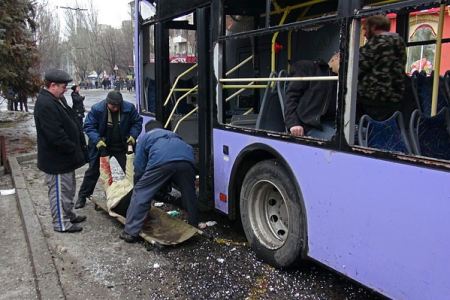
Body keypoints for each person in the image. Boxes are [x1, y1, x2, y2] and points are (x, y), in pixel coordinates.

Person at [119, 121, 200, 243]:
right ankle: (194, 225)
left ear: (147, 130)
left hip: (162, 160)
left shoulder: (145, 138)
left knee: (141, 191)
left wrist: (138, 185)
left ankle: (130, 232)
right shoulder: (174, 135)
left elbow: (139, 166)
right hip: (186, 161)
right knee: (189, 193)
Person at [33, 69, 88, 233]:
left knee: (68, 189)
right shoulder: (46, 104)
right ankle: (61, 224)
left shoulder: (56, 98)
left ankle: (69, 215)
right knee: (59, 192)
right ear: (52, 85)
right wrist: (72, 148)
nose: (66, 89)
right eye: (63, 86)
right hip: (56, 160)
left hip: (65, 159)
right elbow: (56, 136)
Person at [75, 90, 143, 209]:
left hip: (122, 145)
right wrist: (97, 140)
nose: (115, 109)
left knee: (133, 171)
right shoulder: (97, 109)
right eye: (113, 106)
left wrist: (133, 135)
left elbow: (137, 122)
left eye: (118, 106)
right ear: (107, 103)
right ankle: (83, 196)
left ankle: (139, 196)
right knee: (93, 171)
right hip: (103, 146)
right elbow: (88, 126)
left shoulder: (129, 108)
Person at [358, 15, 406, 121]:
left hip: (373, 98)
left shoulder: (375, 43)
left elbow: (356, 68)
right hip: (395, 97)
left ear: (373, 27)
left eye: (365, 29)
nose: (365, 34)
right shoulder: (399, 43)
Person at [284, 52, 340, 140]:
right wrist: (293, 123)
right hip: (313, 124)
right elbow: (291, 96)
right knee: (341, 141)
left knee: (368, 133)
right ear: (336, 57)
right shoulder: (309, 67)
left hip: (337, 124)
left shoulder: (344, 81)